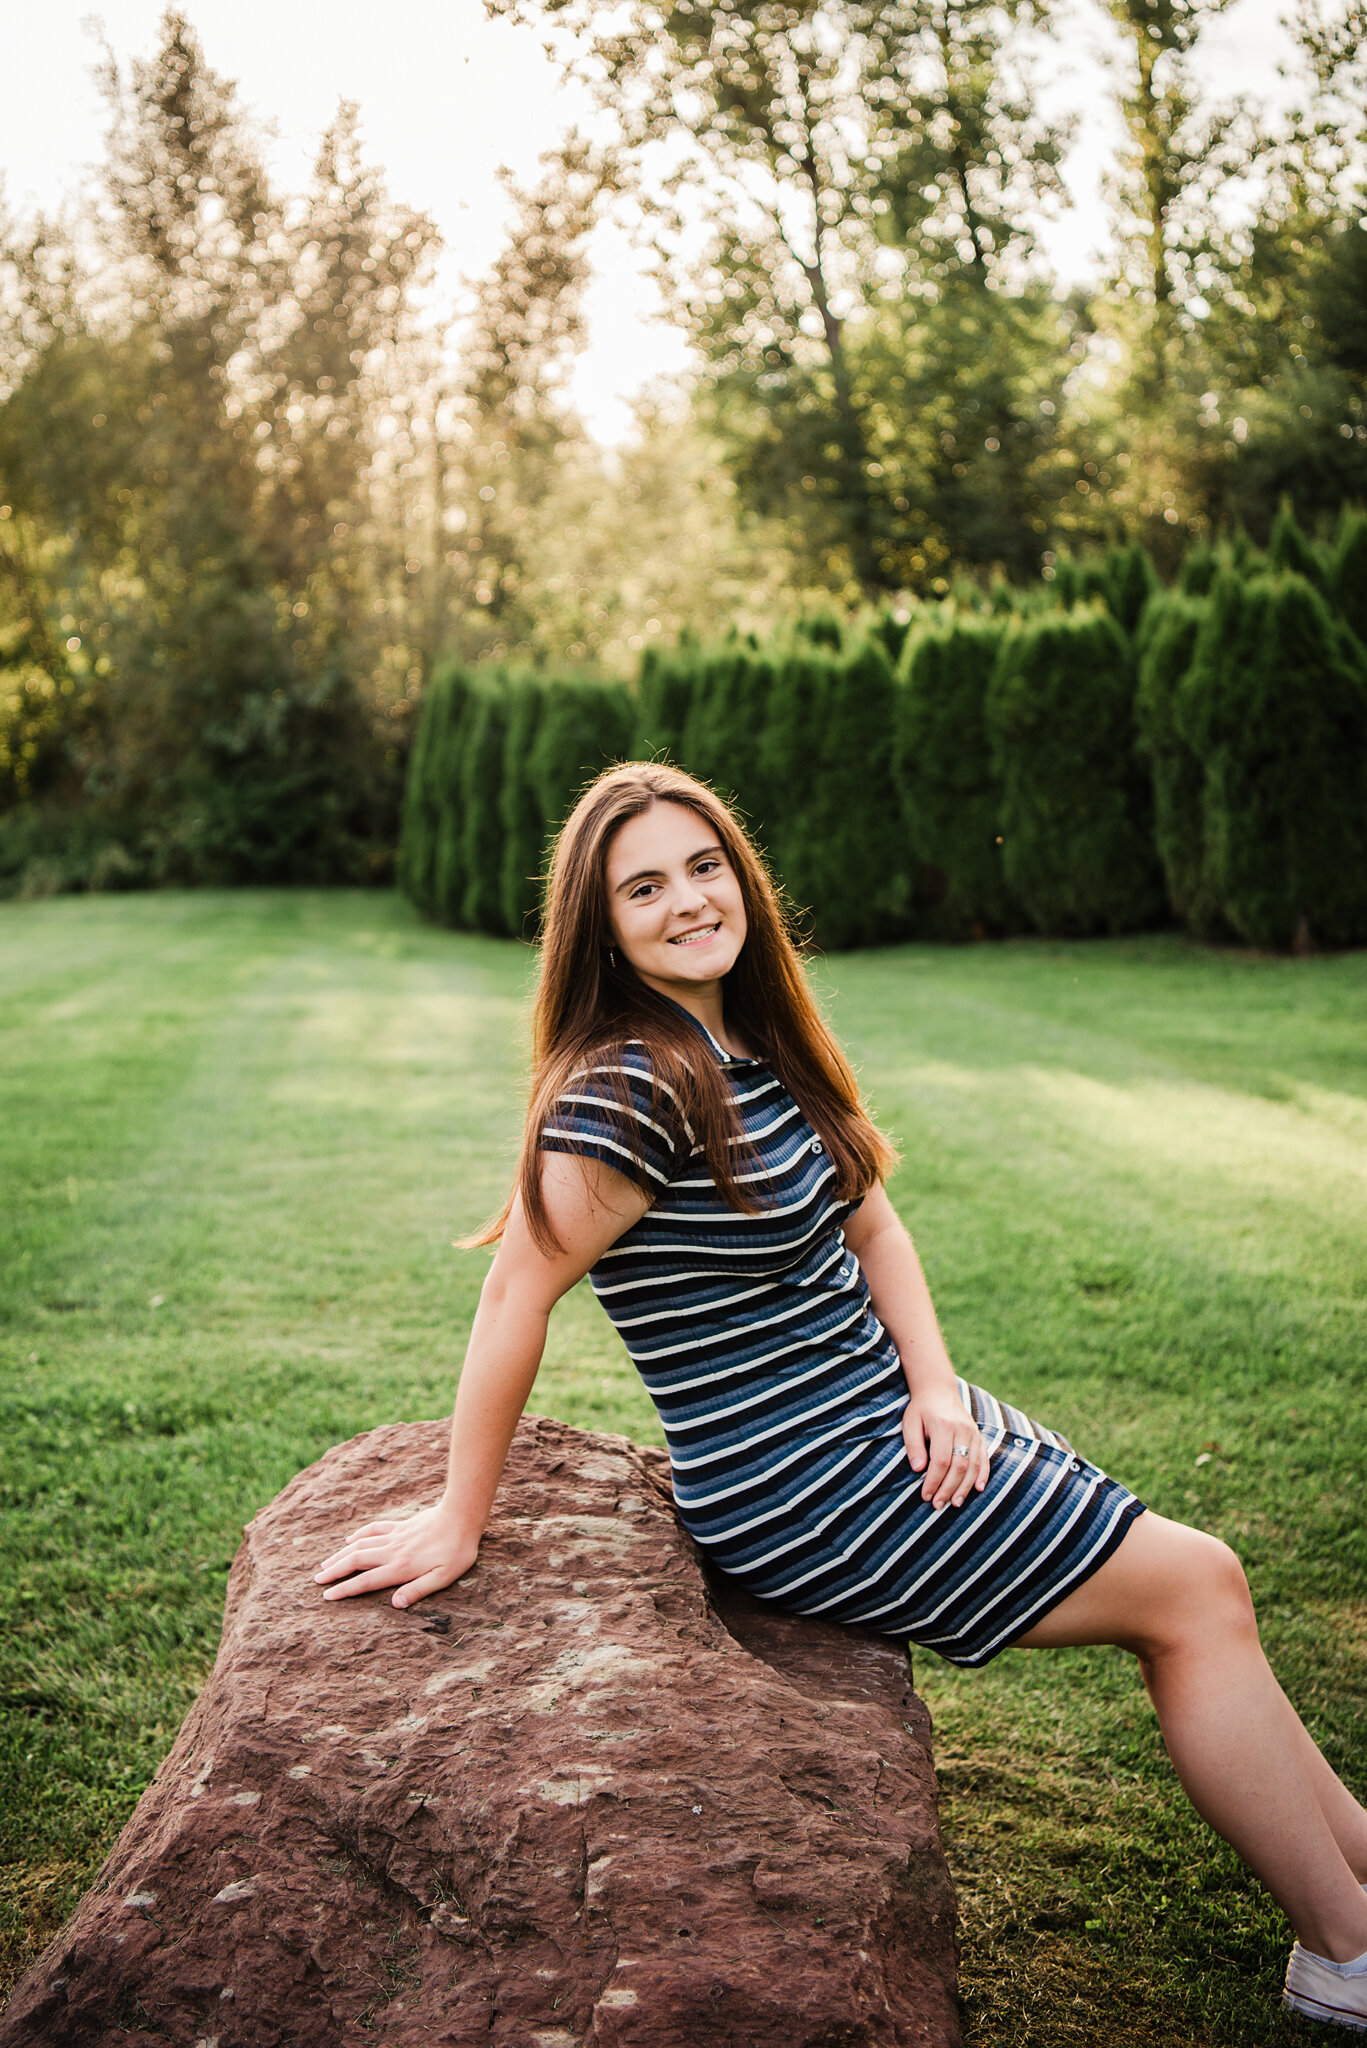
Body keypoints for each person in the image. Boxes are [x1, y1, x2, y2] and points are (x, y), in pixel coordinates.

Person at [315, 761, 1367, 2031]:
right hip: (800, 1483)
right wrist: (458, 1513)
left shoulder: (756, 1038)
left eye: (703, 866)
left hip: (888, 1419)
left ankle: (1358, 1878)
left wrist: (937, 1387)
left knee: (1210, 1583)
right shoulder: (630, 1086)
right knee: (1192, 1592)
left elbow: (875, 1227)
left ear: (740, 873)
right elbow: (514, 1299)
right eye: (643, 886)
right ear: (599, 927)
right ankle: (1340, 1952)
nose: (687, 900)